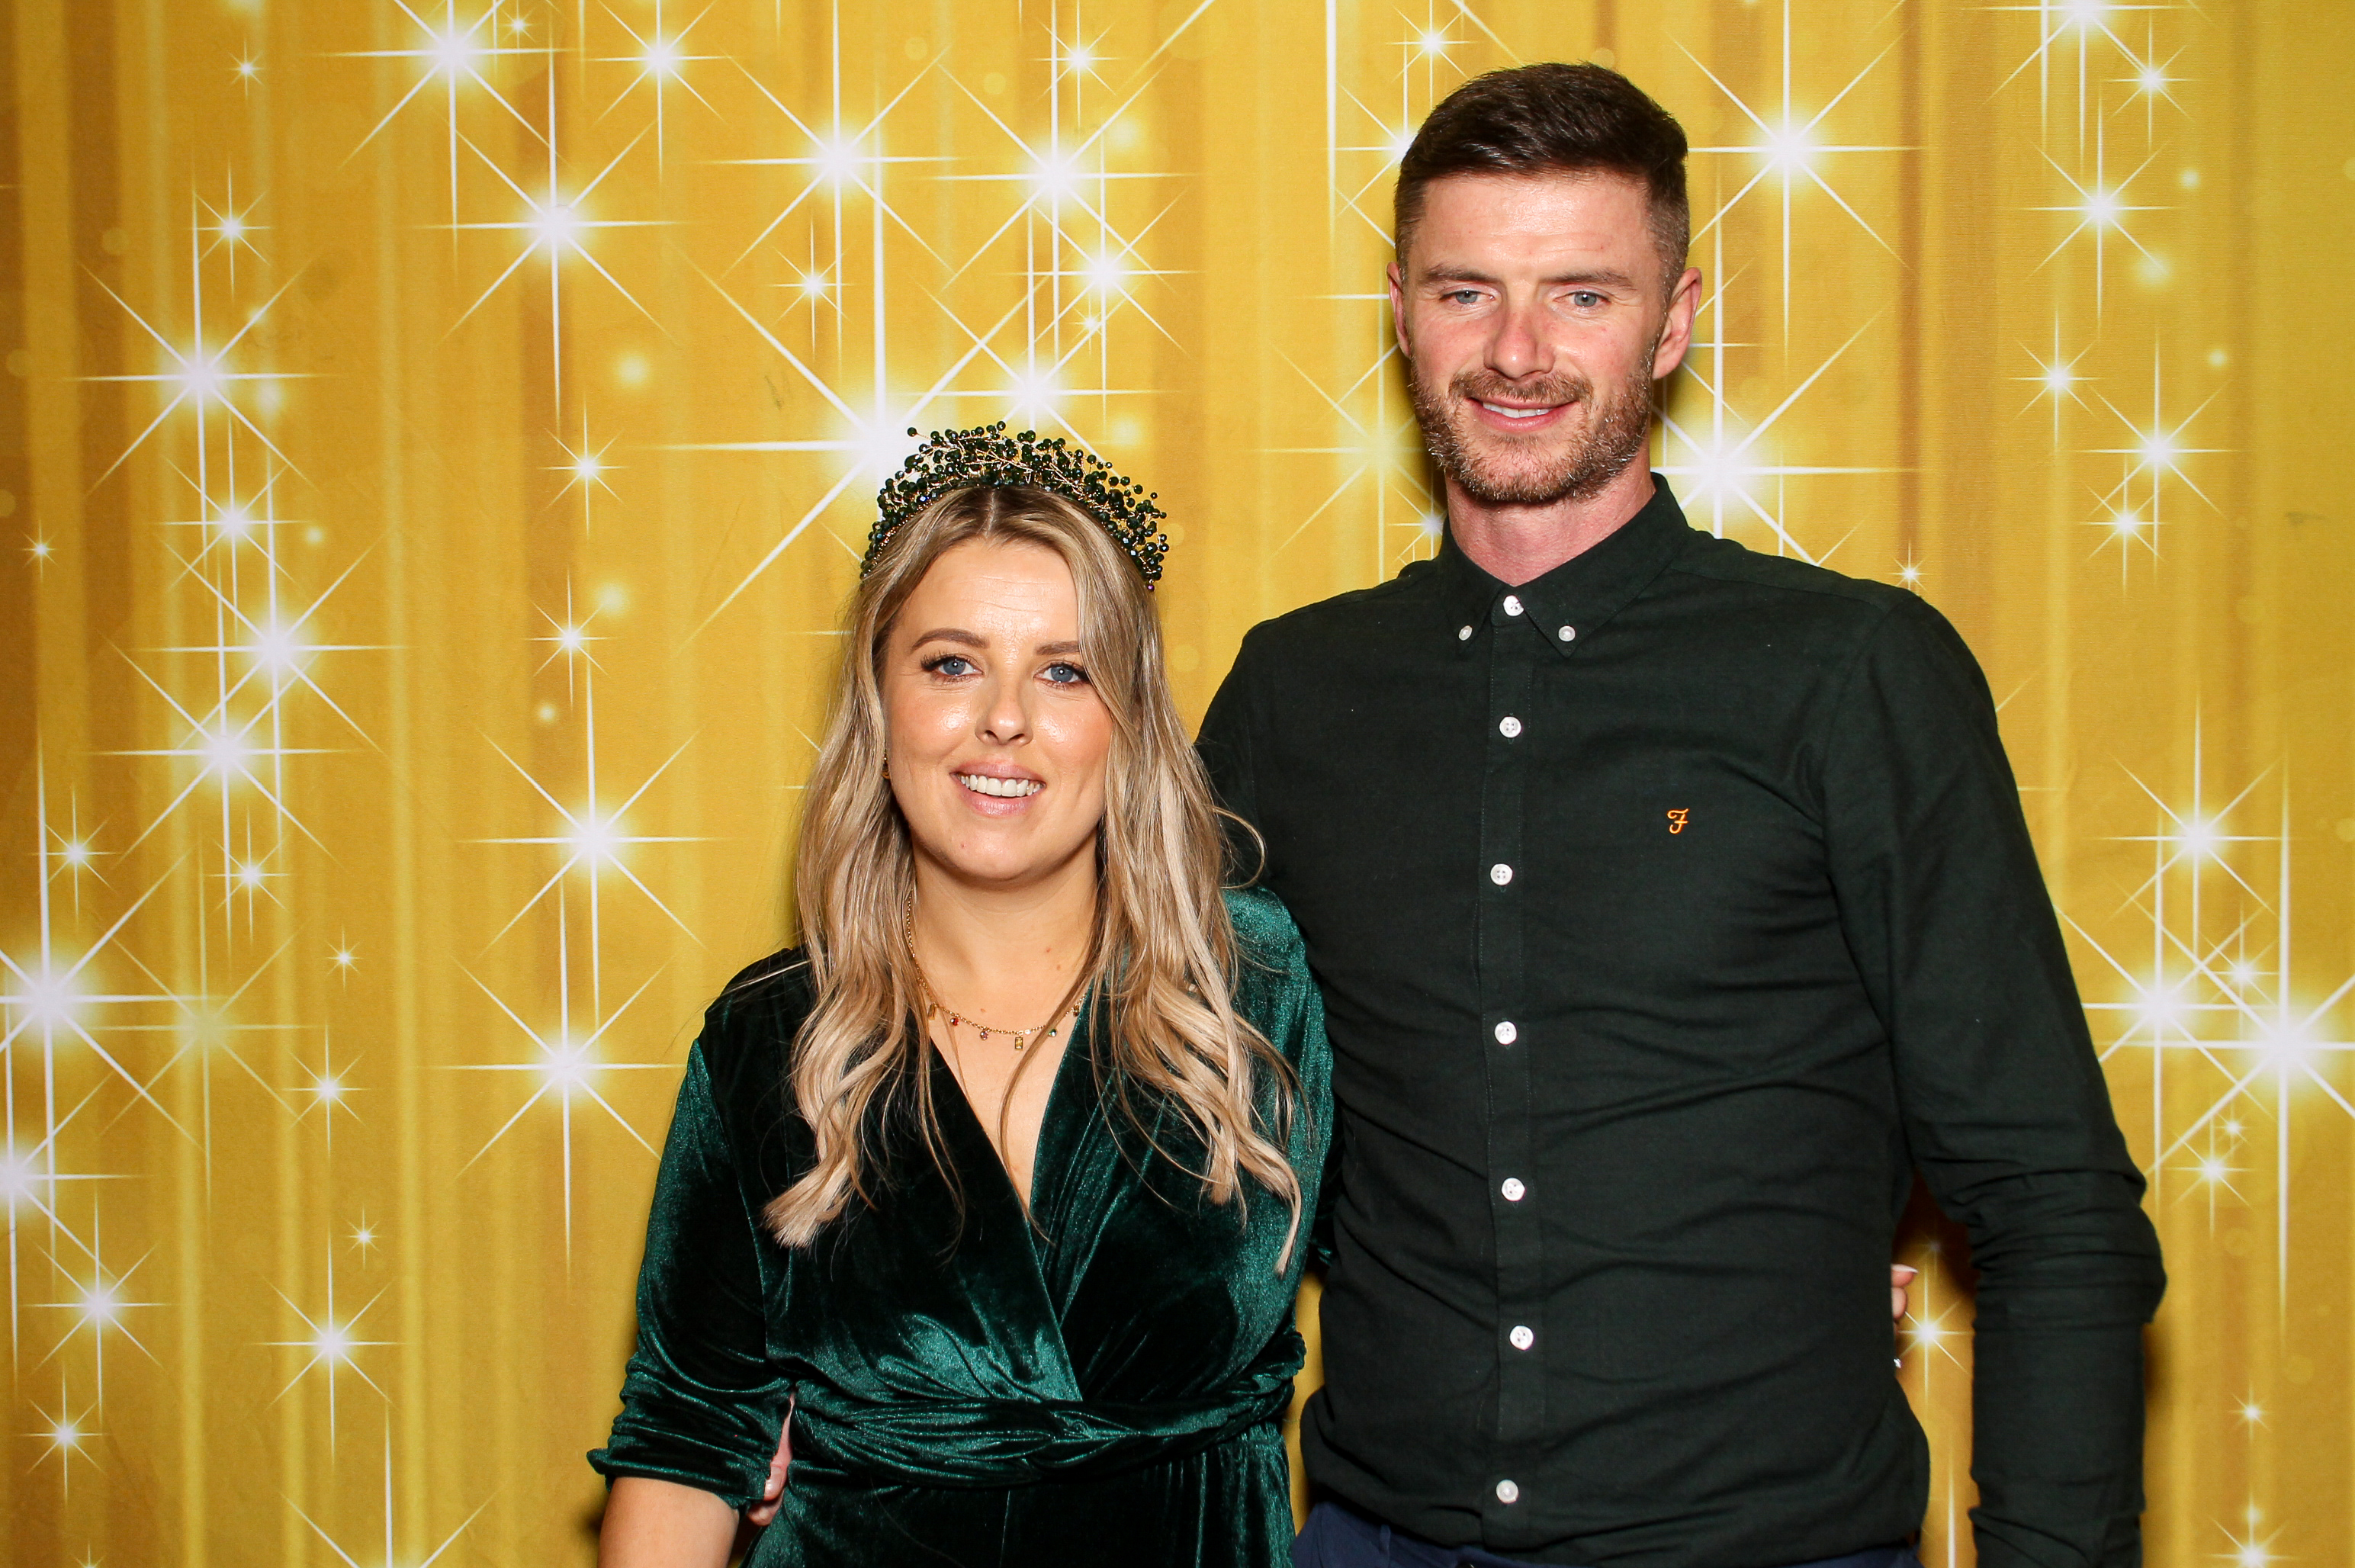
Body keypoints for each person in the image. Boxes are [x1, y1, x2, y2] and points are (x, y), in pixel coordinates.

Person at [1194, 64, 2167, 1568]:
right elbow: (1154, 1125)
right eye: (1465, 291)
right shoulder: (1291, 693)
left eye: (1581, 295)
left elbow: (2054, 1206)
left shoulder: (1852, 673)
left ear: (1674, 319)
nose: (1516, 352)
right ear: (1399, 311)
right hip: (1379, 1539)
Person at [590, 427, 1331, 1567]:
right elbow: (684, 1453)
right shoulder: (770, 1037)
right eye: (950, 664)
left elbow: (1434, 1269)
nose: (1004, 719)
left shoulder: (1253, 984)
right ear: (878, 699)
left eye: (1065, 670)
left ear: (1129, 720)